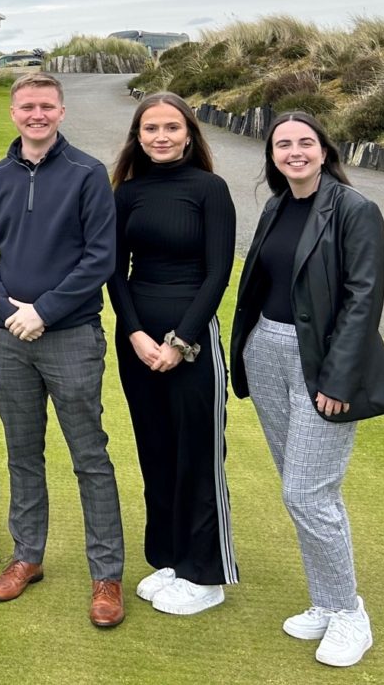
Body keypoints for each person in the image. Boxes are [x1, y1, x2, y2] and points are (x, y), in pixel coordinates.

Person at [229, 111, 384, 668]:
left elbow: (363, 298)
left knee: (307, 493)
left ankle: (350, 614)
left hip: (323, 364)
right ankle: (327, 603)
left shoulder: (354, 210)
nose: (295, 151)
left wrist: (338, 376)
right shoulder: (278, 204)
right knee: (300, 488)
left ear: (324, 151)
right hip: (267, 353)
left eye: (305, 142)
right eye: (284, 144)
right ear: (273, 155)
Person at [0, 72, 126, 628]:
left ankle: (106, 575)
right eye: (27, 107)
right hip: (10, 337)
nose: (37, 115)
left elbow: (99, 259)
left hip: (71, 336)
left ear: (61, 112)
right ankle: (27, 556)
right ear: (14, 113)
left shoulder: (88, 174)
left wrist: (43, 311)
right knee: (23, 452)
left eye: (46, 107)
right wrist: (12, 313)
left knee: (90, 457)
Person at [105, 92, 238, 616]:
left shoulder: (210, 189)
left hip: (193, 338)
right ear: (138, 137)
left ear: (189, 133)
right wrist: (135, 334)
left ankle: (205, 573)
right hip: (136, 339)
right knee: (155, 451)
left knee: (197, 454)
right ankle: (169, 558)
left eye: (172, 128)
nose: (161, 137)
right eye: (151, 129)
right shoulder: (127, 194)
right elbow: (114, 270)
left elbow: (218, 272)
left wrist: (180, 342)